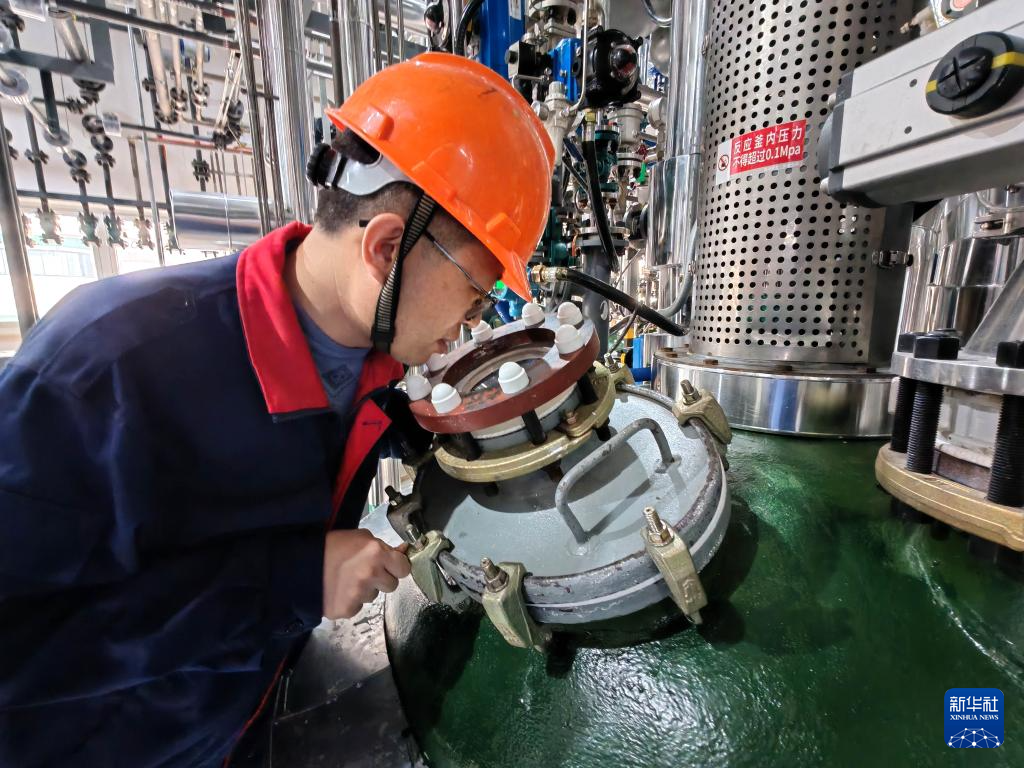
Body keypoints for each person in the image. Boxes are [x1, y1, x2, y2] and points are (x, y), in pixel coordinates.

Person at [0, 52, 554, 767]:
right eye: (476, 293)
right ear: (387, 247)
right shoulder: (103, 368)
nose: (474, 321)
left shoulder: (374, 363)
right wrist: (291, 582)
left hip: (242, 729)